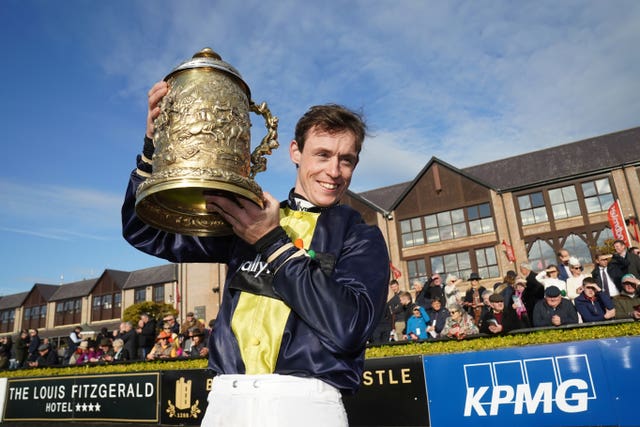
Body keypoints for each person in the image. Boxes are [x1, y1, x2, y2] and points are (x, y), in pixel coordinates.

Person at [122, 89, 390, 427]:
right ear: (296, 152)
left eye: (346, 159)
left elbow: (349, 327)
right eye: (322, 155)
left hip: (306, 405)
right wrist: (153, 148)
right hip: (225, 401)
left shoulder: (361, 236)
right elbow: (147, 232)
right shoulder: (248, 217)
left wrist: (273, 244)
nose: (334, 171)